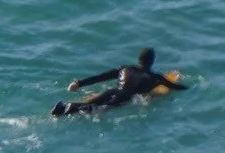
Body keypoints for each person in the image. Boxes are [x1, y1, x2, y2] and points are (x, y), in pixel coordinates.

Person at [53, 49, 183, 116]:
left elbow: (102, 77)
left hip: (113, 91)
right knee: (99, 110)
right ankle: (71, 109)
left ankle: (64, 108)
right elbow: (176, 87)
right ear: (152, 62)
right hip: (124, 98)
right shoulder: (155, 77)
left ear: (139, 60)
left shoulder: (125, 69)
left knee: (93, 102)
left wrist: (79, 83)